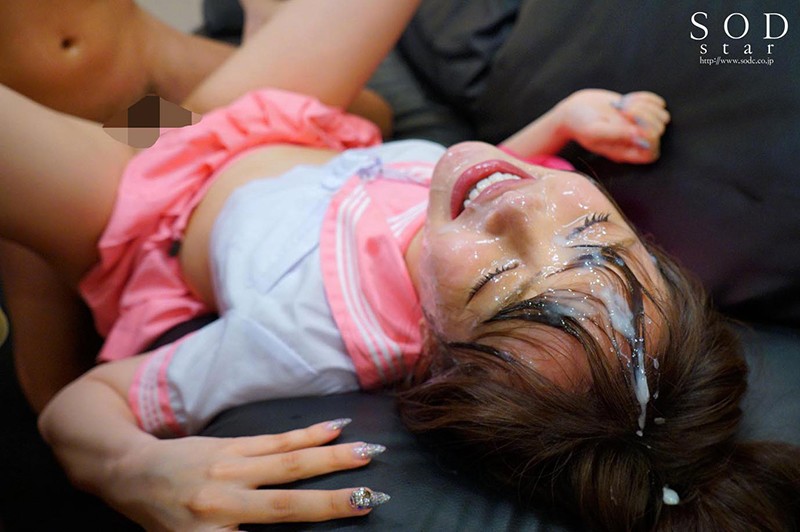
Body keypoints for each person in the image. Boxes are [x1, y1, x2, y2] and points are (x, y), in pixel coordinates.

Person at [3, 2, 797, 532]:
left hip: (149, 200)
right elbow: (483, 183)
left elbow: (83, 405)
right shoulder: (497, 206)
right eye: (593, 229)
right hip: (294, 130)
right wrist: (557, 125)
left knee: (70, 67)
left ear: (434, 354)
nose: (522, 205)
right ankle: (152, 91)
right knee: (120, 87)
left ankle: (112, 127)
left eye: (496, 280)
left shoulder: (298, 340)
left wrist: (131, 466)